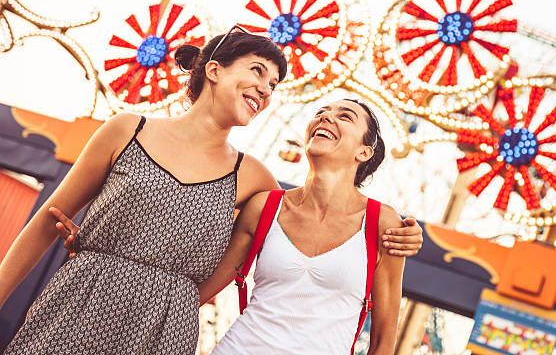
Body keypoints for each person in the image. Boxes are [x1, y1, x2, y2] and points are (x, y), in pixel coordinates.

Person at [0, 27, 421, 355]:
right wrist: (104, 249)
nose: (265, 89)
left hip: (165, 328)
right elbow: (46, 220)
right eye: (258, 71)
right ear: (215, 69)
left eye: (273, 84)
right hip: (81, 300)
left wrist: (407, 235)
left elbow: (297, 240)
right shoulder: (127, 130)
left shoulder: (255, 179)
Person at [197, 99, 406, 355]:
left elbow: (383, 341)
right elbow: (200, 293)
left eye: (345, 116)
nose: (326, 117)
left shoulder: (383, 224)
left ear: (364, 152)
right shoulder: (265, 207)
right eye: (321, 112)